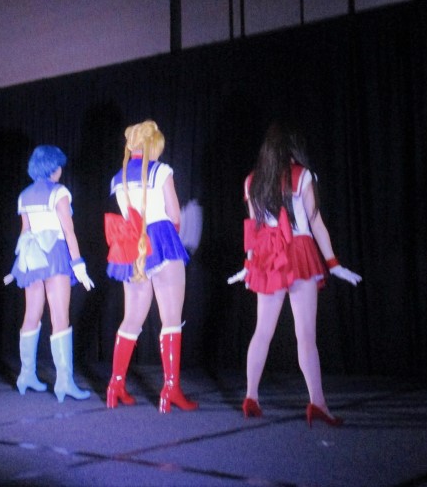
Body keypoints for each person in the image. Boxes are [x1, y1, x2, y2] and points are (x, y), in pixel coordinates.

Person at [228, 124, 362, 427]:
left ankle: (251, 396)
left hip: (268, 255)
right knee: (306, 336)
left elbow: (254, 230)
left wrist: (249, 264)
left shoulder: (252, 180)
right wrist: (333, 263)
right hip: (299, 251)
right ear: (293, 149)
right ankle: (317, 403)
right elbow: (315, 222)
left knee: (262, 331)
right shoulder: (302, 176)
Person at [104, 120, 197, 413]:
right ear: (153, 145)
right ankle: (170, 389)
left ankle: (115, 385)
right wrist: (181, 231)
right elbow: (174, 215)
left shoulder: (117, 178)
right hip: (162, 239)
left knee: (131, 318)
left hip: (131, 244)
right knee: (171, 318)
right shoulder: (162, 171)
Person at [8, 145, 95, 402]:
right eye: (59, 166)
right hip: (55, 254)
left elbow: (24, 233)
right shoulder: (59, 192)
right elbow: (69, 231)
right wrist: (78, 264)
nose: (61, 170)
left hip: (31, 256)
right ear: (53, 167)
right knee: (59, 316)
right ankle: (64, 382)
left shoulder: (24, 195)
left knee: (31, 314)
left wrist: (18, 266)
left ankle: (26, 375)